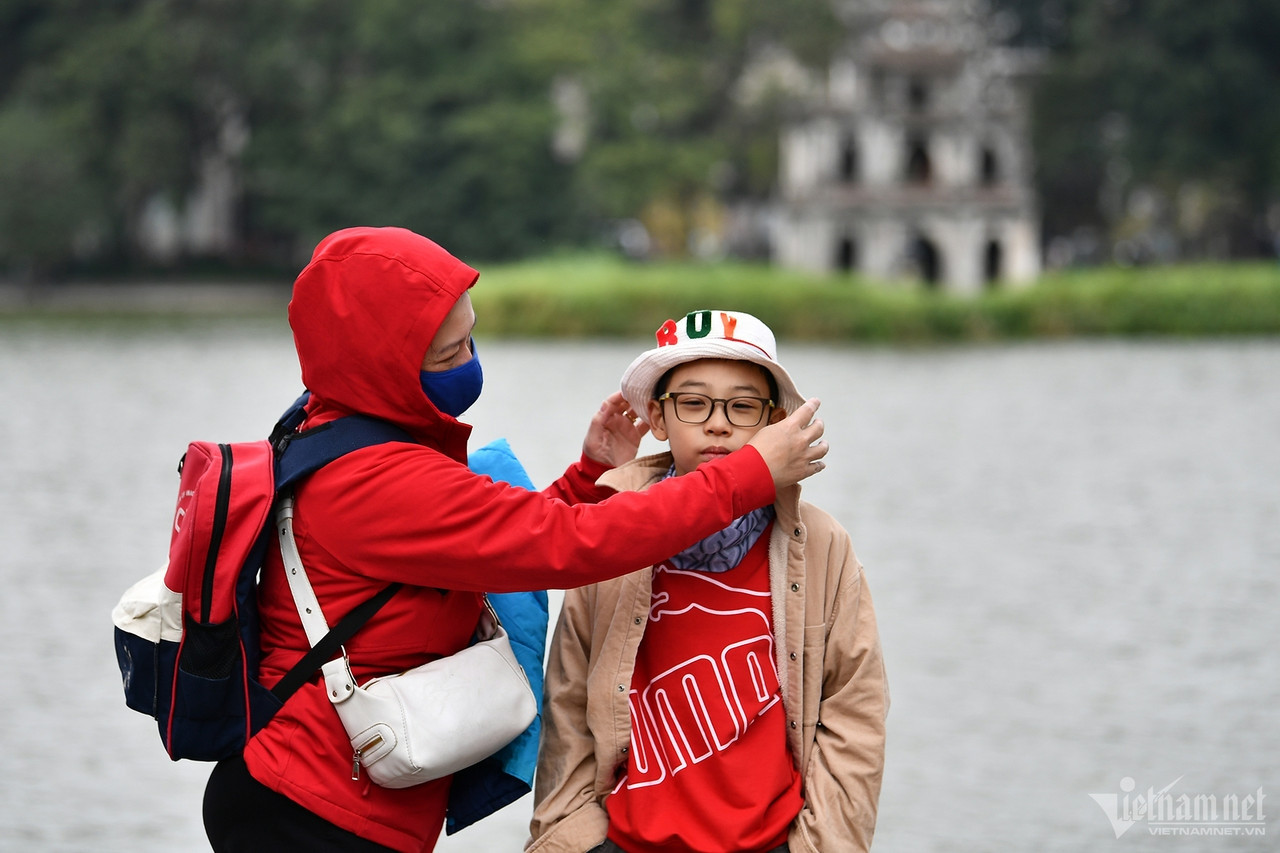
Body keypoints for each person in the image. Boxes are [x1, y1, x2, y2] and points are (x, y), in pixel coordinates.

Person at [200, 228, 829, 853]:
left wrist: (588, 476)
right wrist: (749, 473)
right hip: (308, 808)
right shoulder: (373, 478)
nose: (469, 361)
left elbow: (497, 538)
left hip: (339, 793)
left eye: (469, 337)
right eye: (447, 355)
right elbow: (570, 546)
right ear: (380, 364)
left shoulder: (346, 429)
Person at [528, 310, 888, 853]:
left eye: (742, 407)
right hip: (625, 840)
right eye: (693, 403)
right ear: (657, 416)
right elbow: (568, 703)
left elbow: (853, 715)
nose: (717, 424)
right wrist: (570, 840)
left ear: (773, 424)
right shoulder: (611, 533)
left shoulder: (820, 545)